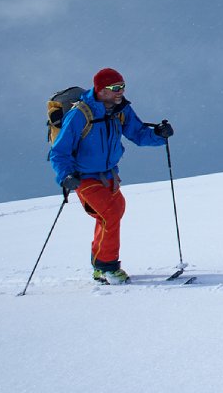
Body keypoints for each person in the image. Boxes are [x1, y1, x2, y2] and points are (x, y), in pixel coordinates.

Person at [47, 68, 173, 284]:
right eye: (115, 88)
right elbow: (59, 151)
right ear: (101, 90)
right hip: (83, 176)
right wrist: (66, 176)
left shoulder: (120, 110)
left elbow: (138, 133)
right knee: (110, 213)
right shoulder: (80, 114)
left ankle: (99, 266)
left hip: (109, 175)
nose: (120, 92)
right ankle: (108, 267)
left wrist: (158, 135)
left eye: (122, 86)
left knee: (112, 212)